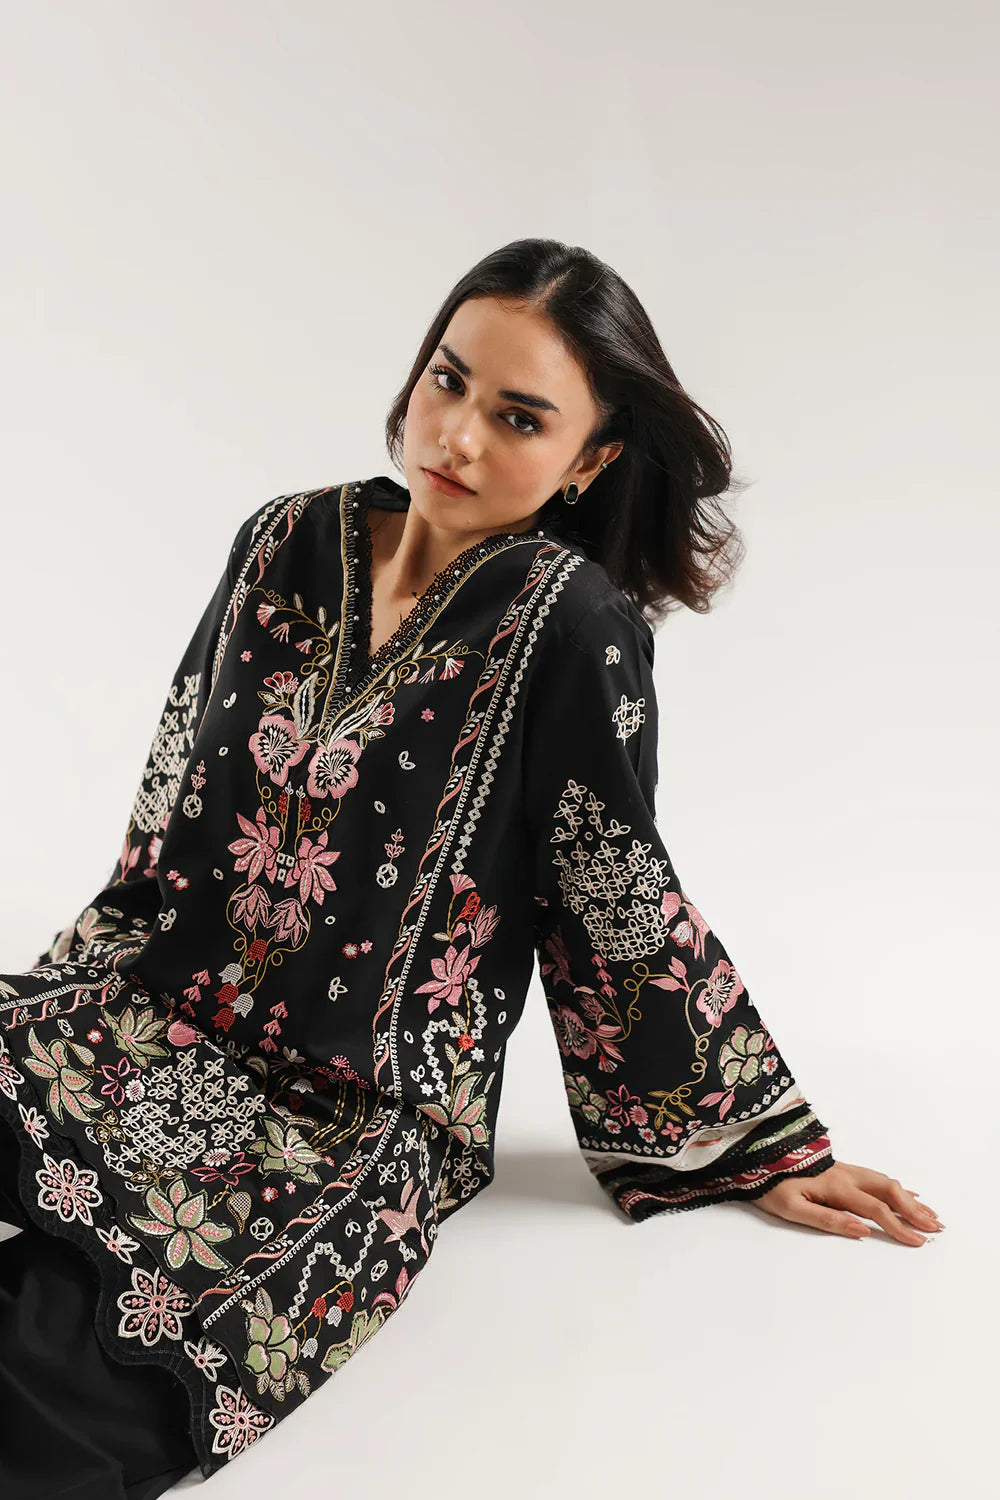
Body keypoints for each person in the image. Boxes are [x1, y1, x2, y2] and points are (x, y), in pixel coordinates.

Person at [0, 237, 944, 1493]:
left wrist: (753, 1145)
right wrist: (67, 998)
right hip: (148, 1013)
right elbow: (173, 804)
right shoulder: (282, 540)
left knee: (64, 1388)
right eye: (447, 380)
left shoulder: (569, 623)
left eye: (520, 417)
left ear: (589, 460)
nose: (456, 434)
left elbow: (613, 890)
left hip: (343, 1116)